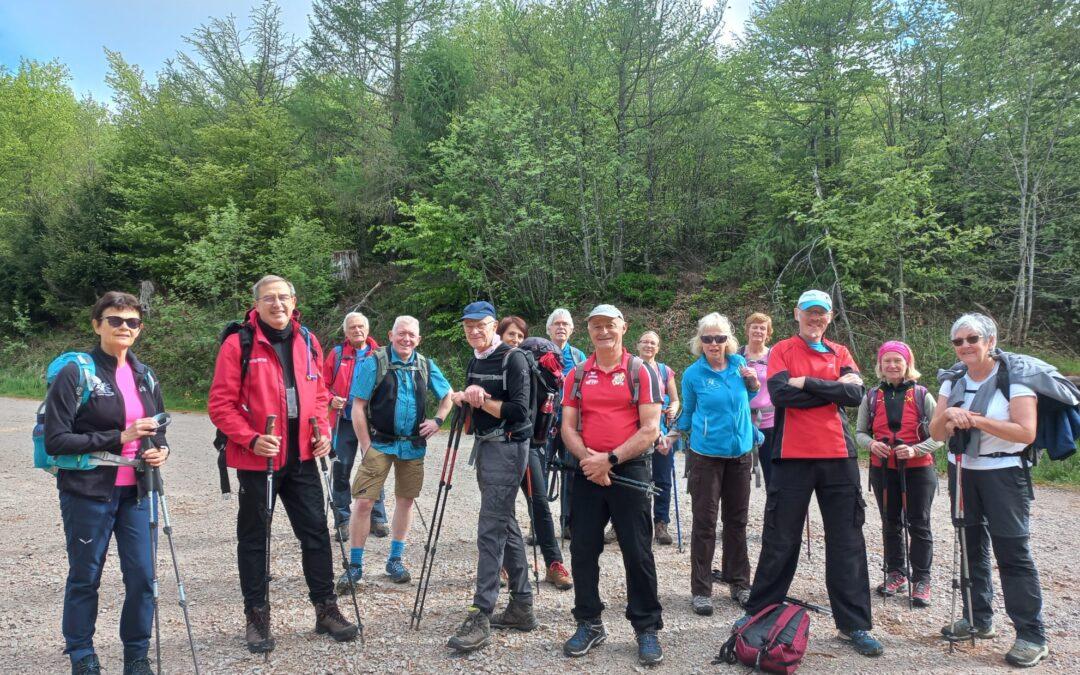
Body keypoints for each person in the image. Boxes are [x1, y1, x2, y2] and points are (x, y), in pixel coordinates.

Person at [209, 275, 358, 654]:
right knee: (256, 538)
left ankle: (326, 609)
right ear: (255, 304)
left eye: (283, 298)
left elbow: (320, 393)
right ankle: (257, 618)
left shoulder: (307, 339)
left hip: (304, 458)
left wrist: (322, 431)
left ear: (294, 302)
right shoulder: (238, 344)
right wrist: (251, 438)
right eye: (269, 298)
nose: (277, 304)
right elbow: (220, 405)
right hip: (260, 459)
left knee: (316, 533)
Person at [737, 290, 884, 657]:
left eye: (821, 314)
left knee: (847, 541)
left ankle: (854, 625)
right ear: (797, 314)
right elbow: (782, 395)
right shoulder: (783, 349)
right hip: (792, 455)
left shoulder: (841, 352)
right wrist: (832, 389)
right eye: (809, 313)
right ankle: (760, 612)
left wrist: (808, 383)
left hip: (838, 455)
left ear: (830, 317)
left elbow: (856, 395)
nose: (815, 319)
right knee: (780, 539)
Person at [45, 292, 170, 675]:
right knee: (86, 575)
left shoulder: (144, 375)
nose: (124, 328)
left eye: (132, 322)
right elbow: (56, 440)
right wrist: (121, 436)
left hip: (136, 490)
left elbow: (159, 429)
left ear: (140, 329)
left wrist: (160, 451)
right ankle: (82, 655)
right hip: (87, 491)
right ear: (96, 324)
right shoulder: (75, 373)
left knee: (143, 577)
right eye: (115, 320)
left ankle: (136, 654)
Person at [929, 313, 1048, 668]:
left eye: (972, 339)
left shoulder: (1015, 378)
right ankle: (978, 619)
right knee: (970, 547)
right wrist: (948, 415)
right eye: (958, 341)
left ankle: (1031, 635)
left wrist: (975, 420)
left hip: (1005, 473)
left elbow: (1025, 432)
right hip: (963, 470)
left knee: (1012, 552)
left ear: (990, 341)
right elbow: (935, 433)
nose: (965, 346)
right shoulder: (952, 380)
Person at [559, 304, 665, 666]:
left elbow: (650, 428)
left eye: (609, 325)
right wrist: (592, 463)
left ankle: (646, 627)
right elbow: (568, 427)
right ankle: (589, 622)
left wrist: (611, 459)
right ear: (588, 331)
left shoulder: (640, 371)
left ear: (624, 327)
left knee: (637, 551)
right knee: (583, 549)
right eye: (596, 326)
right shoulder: (576, 374)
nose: (603, 331)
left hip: (629, 469)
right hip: (588, 469)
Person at [335, 315, 453, 592]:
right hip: (380, 443)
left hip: (412, 445)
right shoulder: (373, 362)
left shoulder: (424, 364)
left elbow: (447, 395)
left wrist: (438, 420)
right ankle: (355, 565)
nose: (406, 339)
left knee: (406, 501)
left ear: (419, 339)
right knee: (364, 503)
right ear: (391, 335)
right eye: (401, 334)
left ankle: (395, 560)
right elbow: (358, 406)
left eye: (412, 335)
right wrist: (366, 446)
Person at [446, 303, 537, 651]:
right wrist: (464, 398)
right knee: (504, 523)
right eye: (468, 326)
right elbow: (476, 400)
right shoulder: (476, 358)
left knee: (489, 528)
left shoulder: (512, 358)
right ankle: (522, 605)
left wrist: (481, 401)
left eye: (480, 325)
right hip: (486, 448)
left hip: (509, 447)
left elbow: (519, 410)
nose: (473, 331)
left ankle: (481, 611)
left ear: (494, 326)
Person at [677, 314, 758, 615]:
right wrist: (670, 433)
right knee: (704, 523)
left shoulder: (738, 365)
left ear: (728, 340)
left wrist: (753, 382)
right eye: (708, 338)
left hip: (740, 454)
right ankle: (701, 590)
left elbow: (751, 396)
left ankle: (739, 583)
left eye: (720, 338)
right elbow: (688, 412)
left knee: (737, 522)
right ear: (700, 341)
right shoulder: (693, 374)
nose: (714, 344)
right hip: (706, 456)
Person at [855, 341, 942, 607]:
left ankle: (922, 579)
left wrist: (916, 450)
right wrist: (871, 444)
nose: (892, 366)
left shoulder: (921, 394)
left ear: (907, 364)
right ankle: (896, 573)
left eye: (898, 361)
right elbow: (859, 432)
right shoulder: (871, 396)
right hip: (883, 469)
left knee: (919, 523)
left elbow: (940, 435)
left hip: (918, 469)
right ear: (880, 365)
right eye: (887, 361)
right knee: (890, 522)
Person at [496, 316, 573, 590]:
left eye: (519, 335)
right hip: (501, 445)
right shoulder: (495, 363)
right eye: (510, 335)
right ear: (500, 335)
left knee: (539, 503)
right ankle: (504, 564)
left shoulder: (533, 367)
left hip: (530, 445)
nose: (514, 340)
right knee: (502, 507)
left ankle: (554, 563)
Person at [322, 311, 388, 541]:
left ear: (368, 329)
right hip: (344, 420)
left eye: (361, 326)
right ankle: (342, 520)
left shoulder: (381, 354)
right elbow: (322, 385)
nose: (357, 330)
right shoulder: (337, 354)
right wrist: (332, 398)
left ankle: (377, 517)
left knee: (374, 467)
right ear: (346, 332)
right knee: (341, 469)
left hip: (373, 422)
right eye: (352, 328)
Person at [633, 331, 681, 547]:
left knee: (662, 477)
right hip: (634, 431)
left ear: (658, 347)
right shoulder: (630, 367)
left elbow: (676, 400)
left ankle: (661, 523)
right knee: (632, 477)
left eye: (653, 343)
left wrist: (673, 408)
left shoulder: (664, 371)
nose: (649, 346)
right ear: (637, 345)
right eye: (645, 342)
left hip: (662, 429)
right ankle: (624, 523)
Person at [546, 308, 587, 540]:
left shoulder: (579, 357)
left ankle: (568, 522)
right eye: (557, 324)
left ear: (571, 329)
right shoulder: (539, 352)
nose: (561, 327)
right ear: (549, 329)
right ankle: (539, 524)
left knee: (572, 474)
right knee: (541, 473)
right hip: (545, 424)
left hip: (572, 425)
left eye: (565, 324)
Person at [740, 312, 776, 486]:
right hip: (742, 423)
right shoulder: (737, 356)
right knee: (739, 478)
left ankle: (774, 513)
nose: (758, 331)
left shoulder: (774, 356)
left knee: (773, 476)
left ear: (768, 333)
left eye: (763, 328)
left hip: (770, 423)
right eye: (755, 327)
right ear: (747, 330)